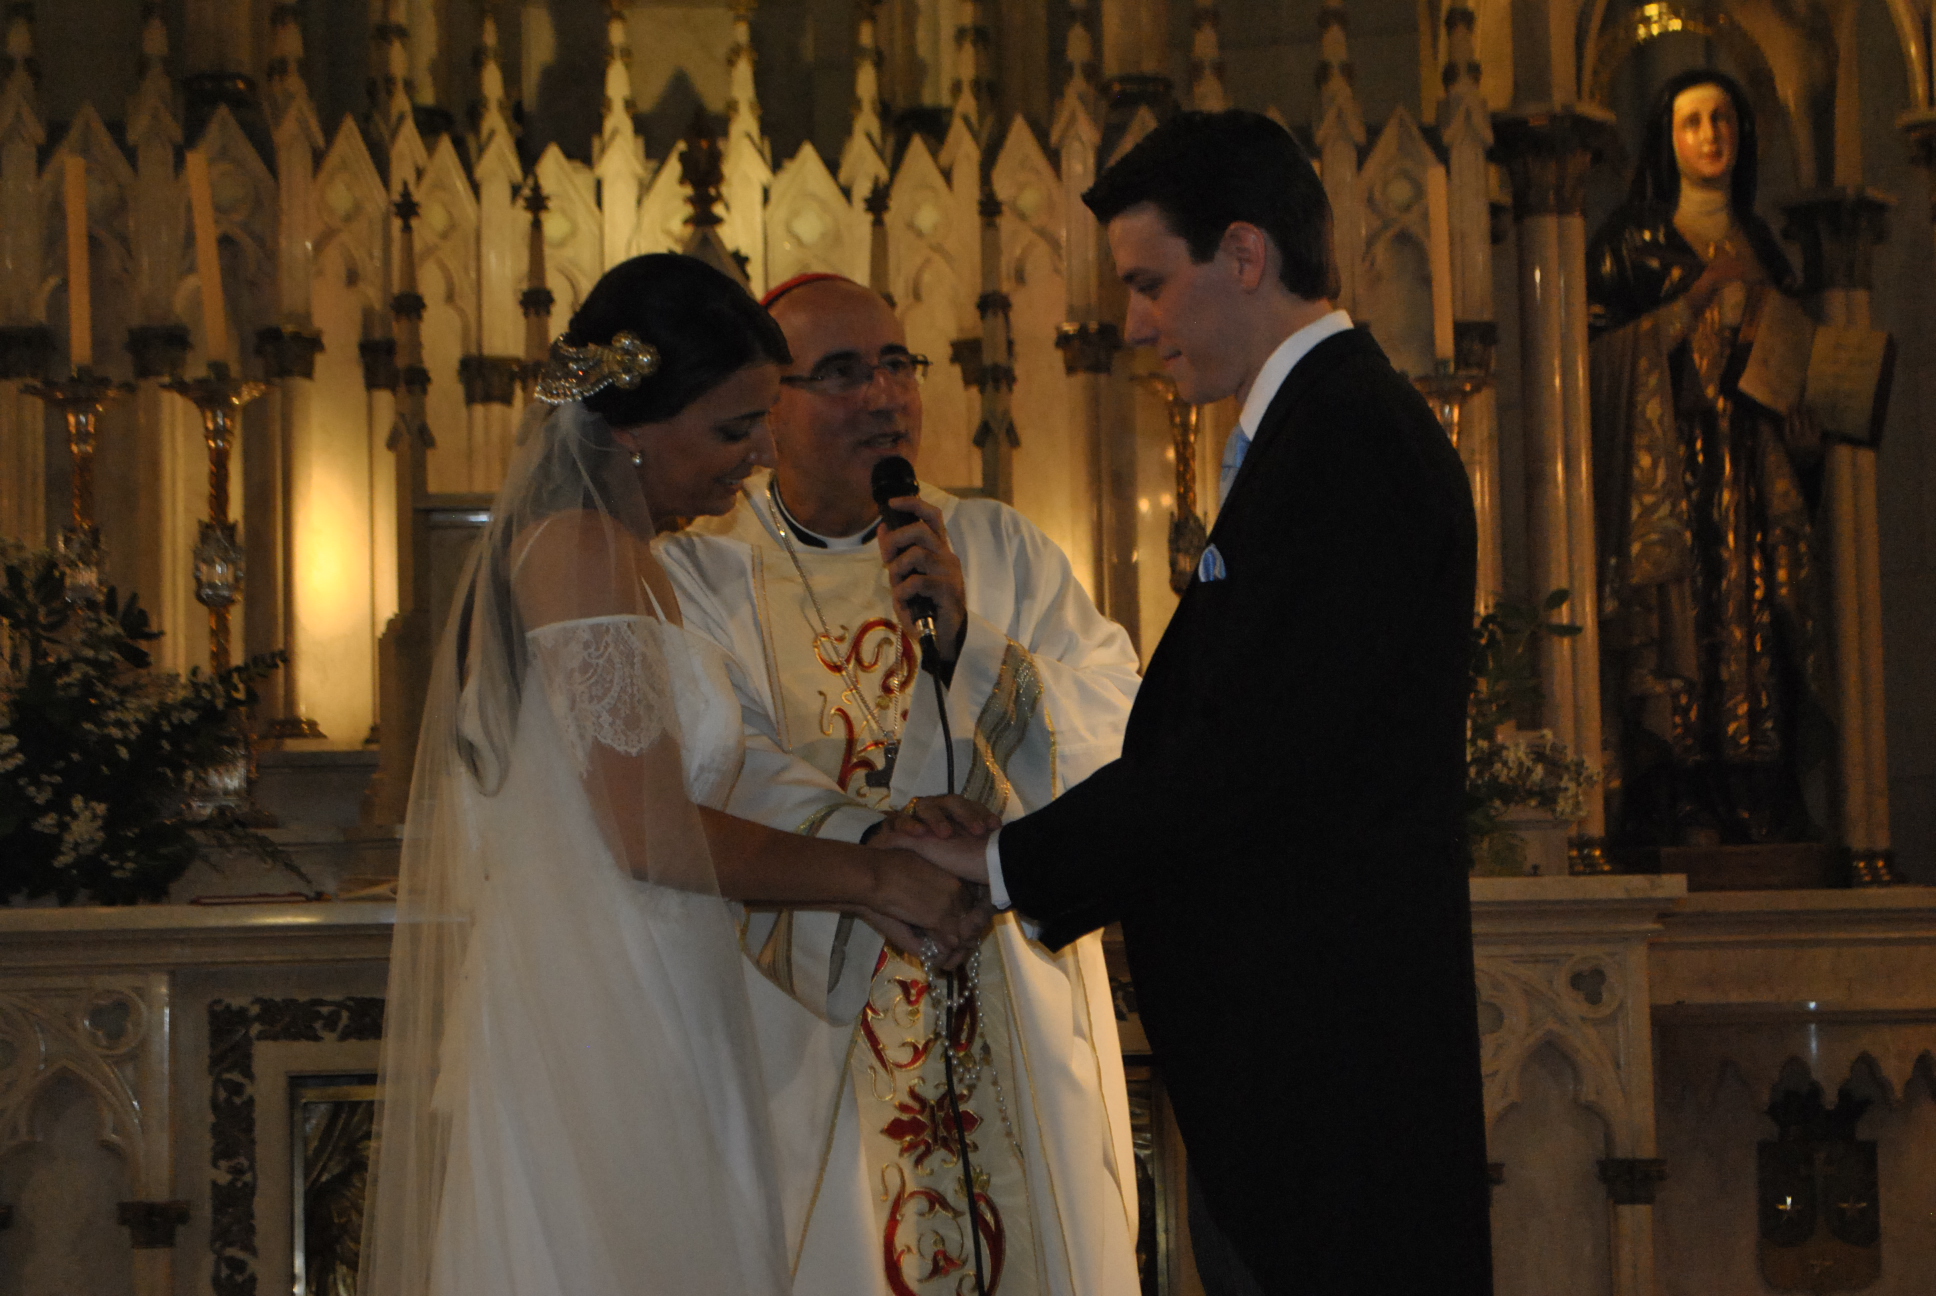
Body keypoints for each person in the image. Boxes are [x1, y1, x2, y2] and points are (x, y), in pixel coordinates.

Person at [886, 111, 1493, 1295]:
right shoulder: (1317, 431)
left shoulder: (1349, 442)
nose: (1133, 325)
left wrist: (1007, 862)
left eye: (1152, 283)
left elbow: (1241, 760)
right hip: (1302, 1069)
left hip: (1326, 1080)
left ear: (1247, 256)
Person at [358, 255, 983, 1296]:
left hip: (662, 989)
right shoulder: (580, 554)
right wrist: (873, 880)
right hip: (602, 1014)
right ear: (630, 426)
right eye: (733, 429)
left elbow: (687, 795)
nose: (751, 459)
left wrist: (882, 837)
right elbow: (647, 831)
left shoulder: (628, 555)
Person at [659, 273, 1144, 1295]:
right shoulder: (707, 574)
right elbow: (716, 767)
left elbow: (1123, 726)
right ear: (765, 408)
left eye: (895, 365)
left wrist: (971, 646)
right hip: (816, 1024)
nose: (883, 395)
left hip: (1009, 995)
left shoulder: (1002, 547)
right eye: (839, 373)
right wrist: (884, 851)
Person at [1587, 68, 1827, 851]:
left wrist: (1805, 433)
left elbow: (1798, 363)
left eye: (1723, 119)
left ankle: (1756, 796)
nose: (1711, 135)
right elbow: (1587, 361)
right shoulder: (1631, 242)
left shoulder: (1764, 246)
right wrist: (1691, 303)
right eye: (1693, 121)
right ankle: (1677, 794)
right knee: (1678, 623)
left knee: (1755, 620)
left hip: (1753, 479)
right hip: (1670, 471)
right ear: (1668, 137)